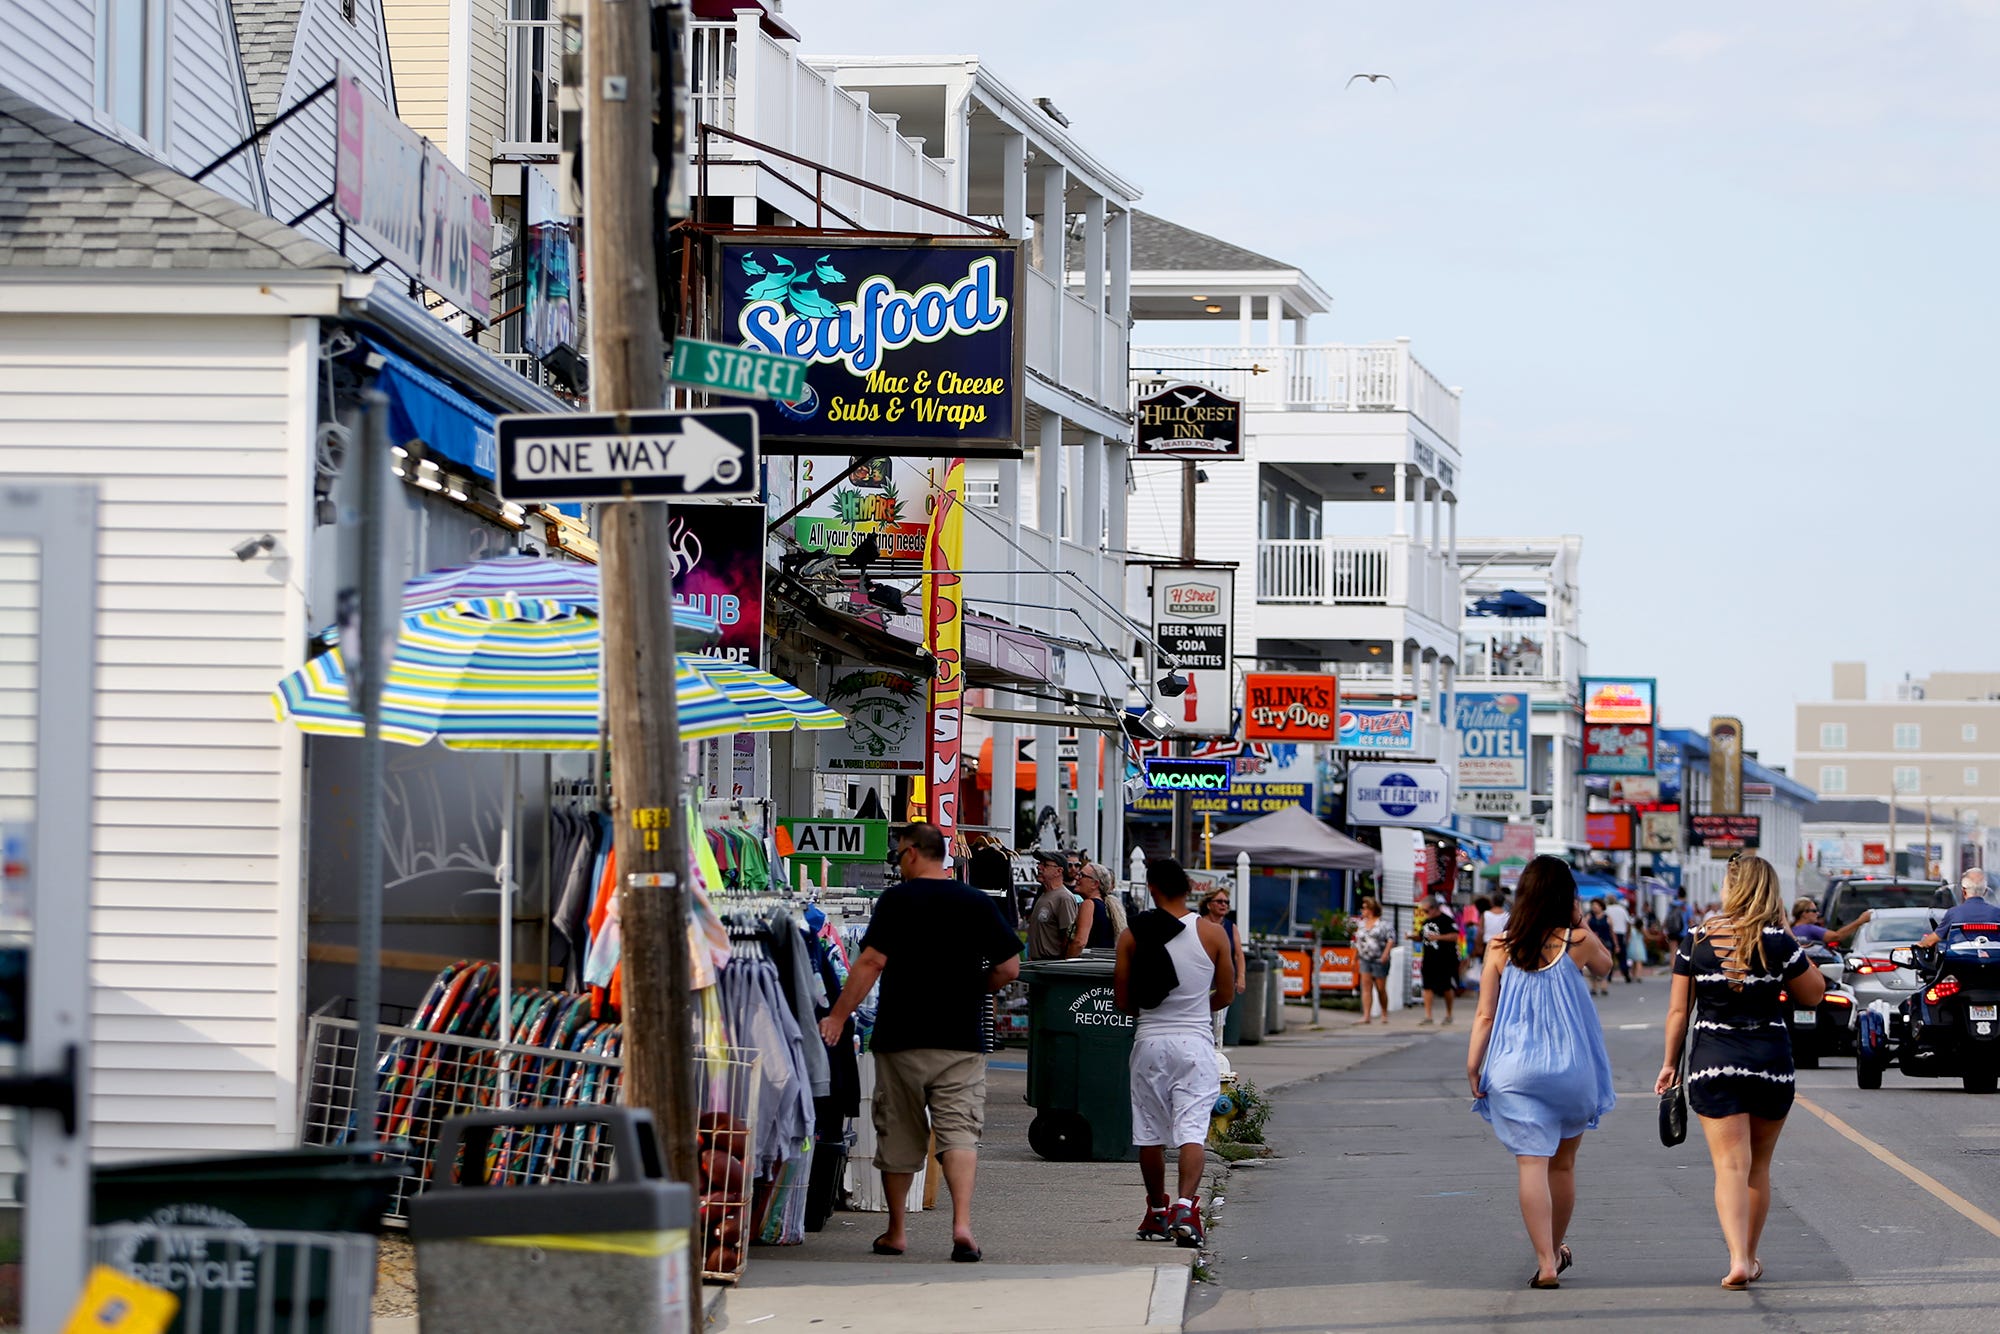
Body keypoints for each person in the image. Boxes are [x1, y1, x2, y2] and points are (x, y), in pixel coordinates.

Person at [819, 823, 1023, 1263]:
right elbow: (1010, 968)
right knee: (960, 1132)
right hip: (961, 1039)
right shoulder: (975, 902)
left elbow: (871, 961)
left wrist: (838, 1015)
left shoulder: (896, 901)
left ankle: (896, 1231)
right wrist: (974, 987)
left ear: (912, 853)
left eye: (898, 855)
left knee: (899, 1133)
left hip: (901, 1037)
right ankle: (962, 1225)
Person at [1656, 854, 1825, 1290]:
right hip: (1769, 1062)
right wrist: (1787, 934)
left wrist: (1669, 1064)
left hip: (1714, 1062)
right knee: (1759, 1167)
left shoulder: (1695, 939)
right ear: (1769, 890)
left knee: (1730, 1165)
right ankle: (1749, 1256)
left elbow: (1679, 1010)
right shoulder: (1778, 942)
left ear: (1729, 888)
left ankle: (1735, 1259)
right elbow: (1814, 995)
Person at [1467, 855, 1617, 1290]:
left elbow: (1484, 1017)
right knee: (1563, 1166)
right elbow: (1607, 966)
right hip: (1570, 1068)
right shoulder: (1580, 941)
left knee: (1531, 1164)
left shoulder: (1499, 946)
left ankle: (1547, 1262)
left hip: (1514, 1070)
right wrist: (1579, 919)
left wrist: (1473, 1066)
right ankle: (1556, 1246)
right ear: (1565, 896)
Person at [1114, 856, 1234, 1248]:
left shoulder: (1132, 936)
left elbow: (1122, 1001)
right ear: (1189, 889)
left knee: (1150, 1134)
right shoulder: (1214, 934)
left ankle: (1156, 1211)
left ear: (1151, 889)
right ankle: (1185, 1206)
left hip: (1149, 1042)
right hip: (1194, 1045)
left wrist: (1152, 1012)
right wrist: (1196, 1008)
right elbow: (1228, 994)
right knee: (1191, 1131)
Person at [1198, 888, 1249, 1046]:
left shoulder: (1230, 927)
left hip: (1222, 979)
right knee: (1201, 1019)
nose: (1224, 905)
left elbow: (1238, 954)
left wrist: (1240, 977)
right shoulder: (1199, 923)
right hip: (1201, 979)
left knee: (1219, 1020)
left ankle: (1215, 1050)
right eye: (1219, 901)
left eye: (1226, 902)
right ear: (1209, 905)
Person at [1919, 867, 1998, 948]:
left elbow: (1932, 940)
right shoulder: (1997, 913)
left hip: (1959, 958)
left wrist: (1921, 944)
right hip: (1993, 959)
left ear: (1963, 891)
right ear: (1985, 891)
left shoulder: (1954, 913)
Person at [1416, 897, 1461, 1025]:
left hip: (1445, 959)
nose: (1425, 914)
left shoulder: (1447, 920)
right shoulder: (1426, 922)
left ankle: (1449, 1014)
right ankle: (1428, 1016)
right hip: (1429, 959)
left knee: (1446, 987)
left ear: (1434, 908)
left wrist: (1438, 937)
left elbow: (1455, 936)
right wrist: (1412, 937)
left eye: (1426, 911)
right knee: (1427, 987)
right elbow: (1422, 936)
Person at [1026, 851, 1077, 961]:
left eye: (1044, 864)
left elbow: (1068, 938)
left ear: (1059, 871)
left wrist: (1061, 967)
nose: (1039, 867)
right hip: (1037, 963)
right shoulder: (1044, 894)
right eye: (1039, 863)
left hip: (1050, 965)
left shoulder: (1064, 898)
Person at [1352, 896, 1395, 1025]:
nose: (1362, 911)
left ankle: (1384, 1012)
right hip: (1365, 958)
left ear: (1371, 909)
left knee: (1380, 987)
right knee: (1366, 986)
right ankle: (1366, 1015)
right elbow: (1357, 942)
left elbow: (1390, 940)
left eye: (1364, 908)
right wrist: (1354, 958)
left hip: (1379, 958)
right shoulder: (1361, 925)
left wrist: (1385, 955)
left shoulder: (1384, 924)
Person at [1066, 860, 1121, 956]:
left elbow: (1080, 942)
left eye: (1082, 875)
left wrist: (1066, 962)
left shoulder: (1089, 904)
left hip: (1086, 965)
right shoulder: (1106, 906)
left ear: (1095, 884)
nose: (1077, 878)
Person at [1790, 898, 1869, 949]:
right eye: (1814, 911)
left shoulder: (1790, 929)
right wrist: (1860, 921)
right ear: (1804, 913)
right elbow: (1836, 936)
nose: (1817, 914)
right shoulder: (1809, 929)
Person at [1583, 900, 1615, 997]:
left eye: (1596, 905)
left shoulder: (1607, 918)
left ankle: (1604, 986)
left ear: (1601, 907)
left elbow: (1612, 932)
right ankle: (1594, 986)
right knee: (1592, 965)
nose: (1594, 907)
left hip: (1605, 943)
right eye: (1593, 905)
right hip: (1592, 944)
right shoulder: (1589, 917)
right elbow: (1583, 928)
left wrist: (1616, 944)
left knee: (1604, 964)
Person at [1604, 893, 1634, 984]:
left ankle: (1609, 975)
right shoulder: (1622, 909)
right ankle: (1625, 973)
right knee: (1622, 956)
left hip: (1609, 934)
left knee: (1609, 955)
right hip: (1621, 933)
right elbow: (1628, 923)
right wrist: (1628, 935)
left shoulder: (1606, 910)